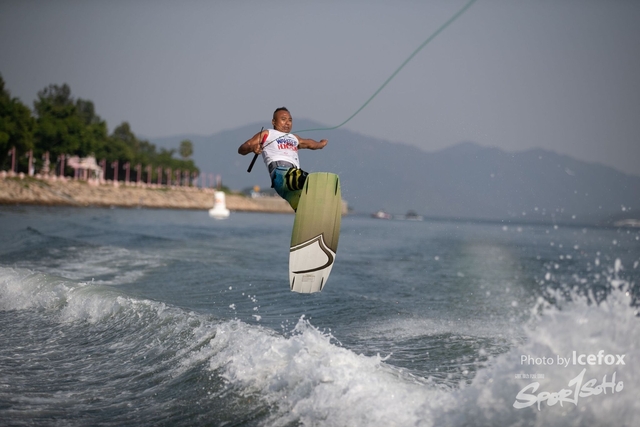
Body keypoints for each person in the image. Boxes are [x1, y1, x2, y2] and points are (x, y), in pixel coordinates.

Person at [238, 107, 328, 211]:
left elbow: (309, 143)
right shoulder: (268, 133)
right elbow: (243, 148)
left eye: (290, 120)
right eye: (283, 119)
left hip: (292, 184)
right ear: (273, 122)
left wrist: (321, 144)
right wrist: (252, 148)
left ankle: (311, 214)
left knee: (304, 206)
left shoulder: (294, 138)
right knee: (309, 180)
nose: (287, 123)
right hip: (281, 175)